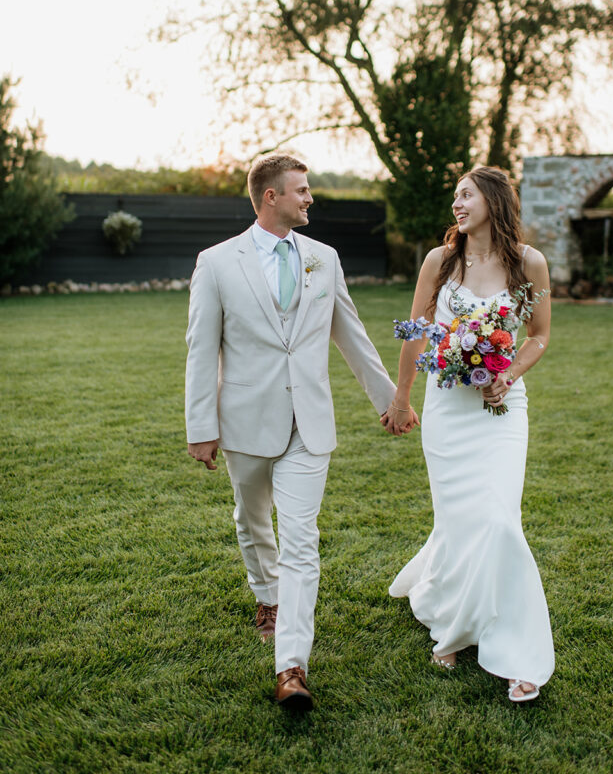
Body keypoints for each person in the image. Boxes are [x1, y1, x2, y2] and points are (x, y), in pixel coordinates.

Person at [185, 153, 418, 712]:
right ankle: (265, 596)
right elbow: (201, 349)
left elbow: (352, 336)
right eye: (302, 190)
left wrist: (392, 401)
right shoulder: (217, 263)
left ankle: (291, 666)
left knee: (302, 541)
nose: (310, 198)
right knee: (251, 516)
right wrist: (201, 426)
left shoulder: (324, 259)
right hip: (244, 420)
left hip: (309, 425)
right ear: (271, 197)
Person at [383, 165, 554, 703]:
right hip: (448, 413)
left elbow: (540, 335)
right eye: (454, 196)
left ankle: (518, 650)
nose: (456, 204)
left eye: (466, 194)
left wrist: (507, 374)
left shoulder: (529, 263)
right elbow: (417, 332)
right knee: (458, 521)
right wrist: (402, 396)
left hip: (502, 414)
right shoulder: (441, 260)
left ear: (494, 199)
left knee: (500, 521)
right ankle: (452, 624)